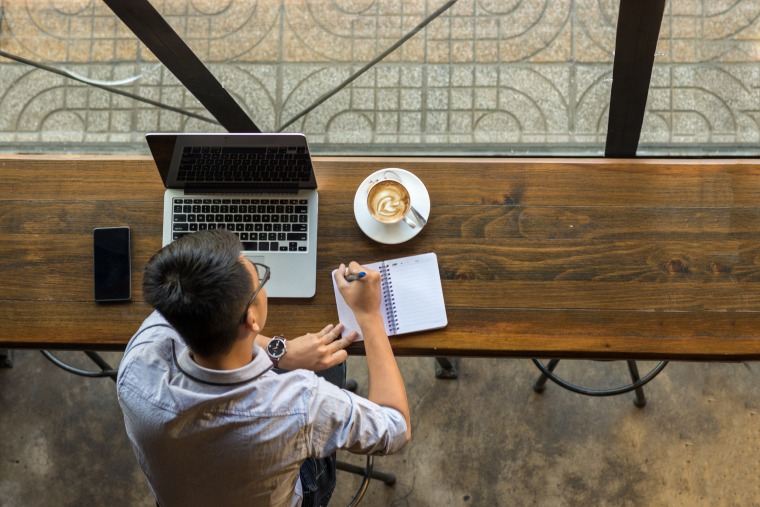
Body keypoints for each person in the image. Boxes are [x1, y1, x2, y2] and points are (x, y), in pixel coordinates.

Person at [117, 229, 411, 506]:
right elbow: (396, 429)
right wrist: (369, 314)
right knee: (331, 369)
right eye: (259, 278)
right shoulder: (300, 402)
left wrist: (280, 352)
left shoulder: (137, 364)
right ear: (251, 320)